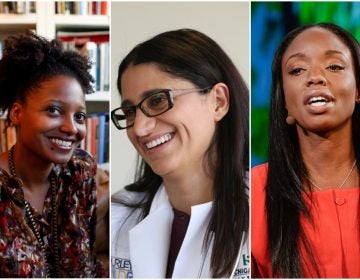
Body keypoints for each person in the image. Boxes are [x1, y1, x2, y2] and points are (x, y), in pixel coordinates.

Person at [111, 29, 249, 278]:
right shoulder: (114, 217)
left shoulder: (266, 211)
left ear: (218, 101)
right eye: (130, 112)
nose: (139, 128)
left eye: (157, 101)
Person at [251, 22, 360, 278]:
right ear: (284, 101)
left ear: (358, 90)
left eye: (334, 66)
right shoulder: (253, 191)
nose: (316, 77)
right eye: (297, 70)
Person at [0, 32, 106, 277]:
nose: (72, 128)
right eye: (54, 110)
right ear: (17, 113)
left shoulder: (81, 170)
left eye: (79, 116)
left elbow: (86, 259)